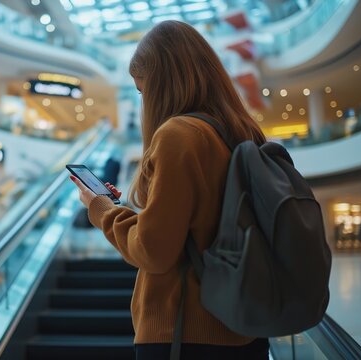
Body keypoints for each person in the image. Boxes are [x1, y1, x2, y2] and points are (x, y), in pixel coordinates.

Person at [70, 21, 269, 359]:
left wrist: (101, 209)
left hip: (185, 334)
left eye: (142, 90)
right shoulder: (241, 133)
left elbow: (154, 252)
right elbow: (193, 230)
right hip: (244, 330)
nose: (144, 102)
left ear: (161, 84)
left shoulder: (179, 135)